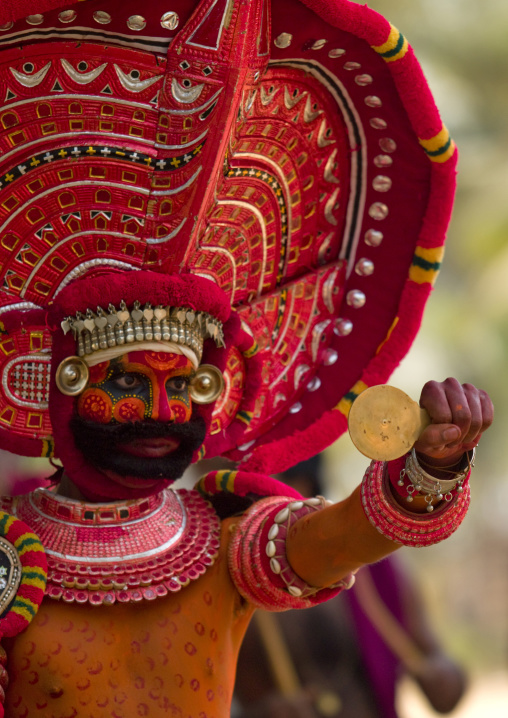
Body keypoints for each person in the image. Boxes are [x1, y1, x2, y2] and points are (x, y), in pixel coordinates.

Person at [0, 1, 494, 717]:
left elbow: (345, 536)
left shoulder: (223, 543)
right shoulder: (14, 558)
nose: (166, 415)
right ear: (59, 384)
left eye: (189, 386)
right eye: (129, 383)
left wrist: (431, 469)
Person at [234, 457, 468, 718]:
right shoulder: (231, 578)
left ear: (308, 487)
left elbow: (442, 678)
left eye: (279, 490)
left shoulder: (375, 571)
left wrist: (442, 677)